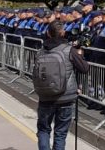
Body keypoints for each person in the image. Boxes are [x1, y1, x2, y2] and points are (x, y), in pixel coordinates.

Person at [35, 21, 90, 150]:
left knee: (43, 130)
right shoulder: (69, 50)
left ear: (48, 33)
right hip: (66, 96)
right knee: (60, 133)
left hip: (45, 96)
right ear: (63, 33)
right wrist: (80, 55)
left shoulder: (41, 51)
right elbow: (84, 68)